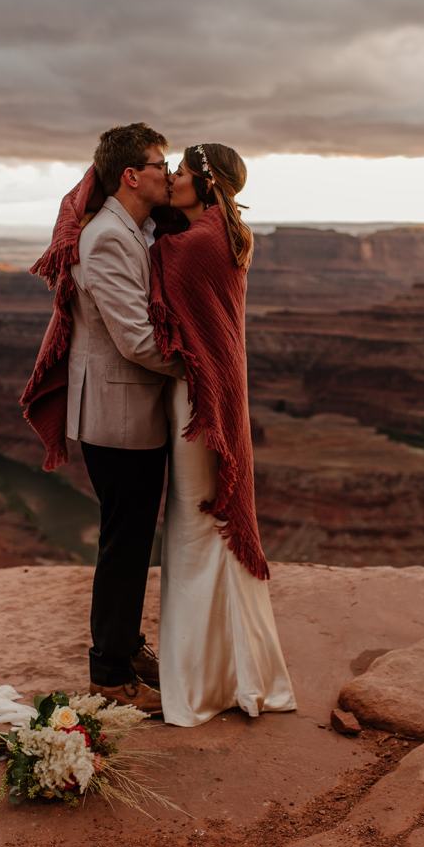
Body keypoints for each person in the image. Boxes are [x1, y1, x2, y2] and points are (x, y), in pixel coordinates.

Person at [21, 123, 183, 715]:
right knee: (124, 543)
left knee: (132, 539)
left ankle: (125, 646)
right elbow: (136, 340)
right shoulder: (109, 238)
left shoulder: (135, 228)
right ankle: (111, 674)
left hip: (128, 411)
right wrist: (204, 369)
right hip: (118, 415)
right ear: (131, 176)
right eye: (160, 165)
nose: (169, 174)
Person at [148, 144, 297, 726]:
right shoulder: (228, 233)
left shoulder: (190, 246)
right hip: (218, 399)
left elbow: (166, 305)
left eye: (180, 174)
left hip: (196, 402)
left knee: (193, 527)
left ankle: (200, 685)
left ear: (206, 184)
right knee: (212, 526)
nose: (172, 182)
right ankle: (241, 674)